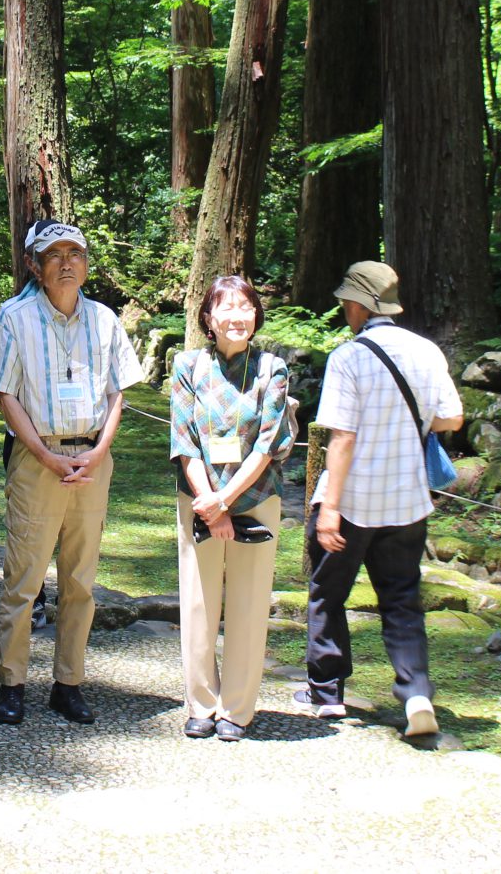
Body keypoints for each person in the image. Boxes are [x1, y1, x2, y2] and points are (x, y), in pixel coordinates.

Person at [0, 218, 145, 727]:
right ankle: (13, 682)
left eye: (76, 253)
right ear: (36, 265)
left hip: (93, 460)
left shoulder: (105, 320)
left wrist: (99, 450)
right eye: (55, 255)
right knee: (24, 579)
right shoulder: (14, 319)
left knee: (81, 580)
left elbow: (119, 392)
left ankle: (69, 683)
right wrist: (46, 456)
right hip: (38, 459)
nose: (67, 262)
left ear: (87, 264)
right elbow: (6, 395)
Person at [297, 260, 465, 742]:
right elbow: (452, 418)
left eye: (346, 301)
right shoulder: (426, 351)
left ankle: (327, 694)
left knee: (328, 594)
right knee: (401, 601)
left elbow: (342, 438)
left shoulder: (349, 358)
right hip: (408, 500)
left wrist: (329, 507)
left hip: (352, 503)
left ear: (359, 305)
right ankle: (416, 694)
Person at [169, 275, 294, 741]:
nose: (237, 315)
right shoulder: (187, 366)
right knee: (199, 603)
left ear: (256, 315)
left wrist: (226, 500)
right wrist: (210, 504)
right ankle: (201, 702)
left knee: (248, 603)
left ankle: (237, 710)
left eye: (246, 306)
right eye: (226, 307)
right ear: (208, 318)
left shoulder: (271, 369)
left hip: (256, 498)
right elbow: (184, 440)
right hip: (198, 498)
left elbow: (266, 446)